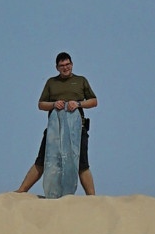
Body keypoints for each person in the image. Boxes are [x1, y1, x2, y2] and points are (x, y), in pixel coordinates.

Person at [16, 52, 98, 195]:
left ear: (72, 64)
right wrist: (54, 104)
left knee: (82, 163)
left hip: (78, 129)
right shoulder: (51, 82)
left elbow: (94, 101)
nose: (65, 68)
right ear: (57, 68)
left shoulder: (81, 81)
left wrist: (78, 103)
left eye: (67, 65)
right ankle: (21, 191)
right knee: (42, 160)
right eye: (62, 66)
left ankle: (92, 198)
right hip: (55, 129)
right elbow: (41, 104)